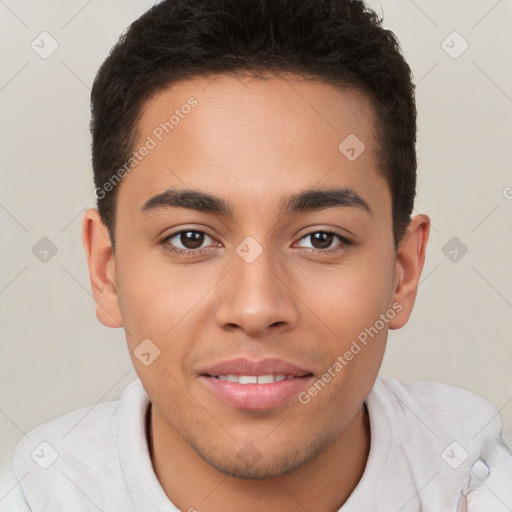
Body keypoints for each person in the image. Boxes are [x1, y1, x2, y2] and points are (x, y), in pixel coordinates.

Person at [11, 0, 512, 510]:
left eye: (322, 239)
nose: (255, 309)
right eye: (190, 238)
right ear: (106, 271)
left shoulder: (474, 482)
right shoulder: (38, 493)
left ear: (403, 273)